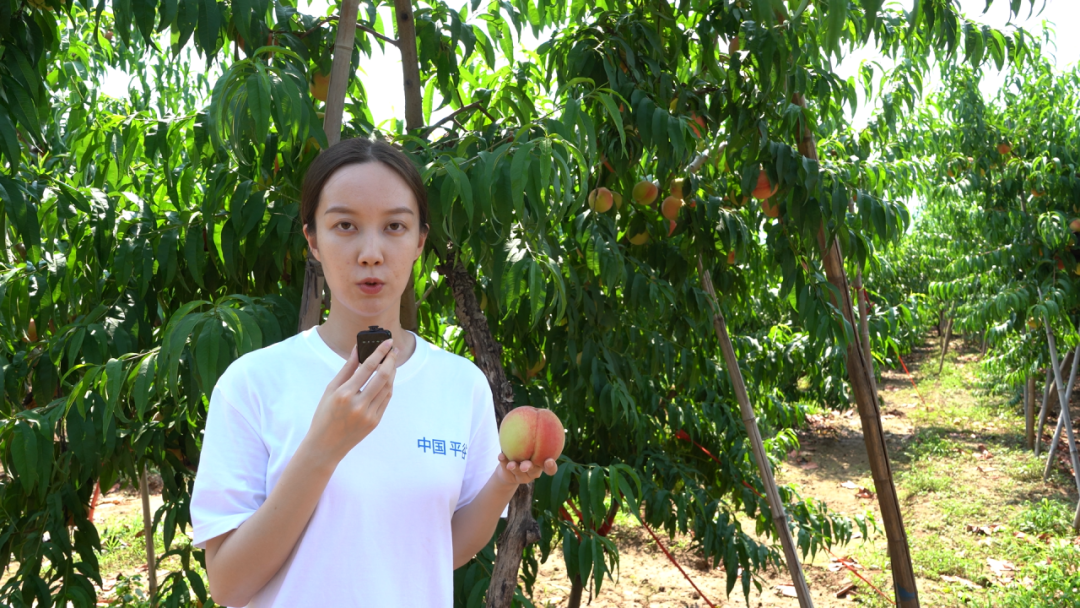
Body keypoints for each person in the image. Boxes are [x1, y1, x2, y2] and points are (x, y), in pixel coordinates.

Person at [190, 137, 559, 607]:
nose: (371, 252)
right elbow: (228, 584)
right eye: (345, 225)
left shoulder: (460, 384)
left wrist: (504, 481)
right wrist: (324, 447)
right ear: (312, 240)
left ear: (419, 241)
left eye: (395, 226)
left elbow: (439, 550)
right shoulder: (253, 384)